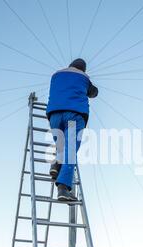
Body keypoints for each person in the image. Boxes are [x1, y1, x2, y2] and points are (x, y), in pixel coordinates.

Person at [46, 58, 98, 201]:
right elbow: (93, 93)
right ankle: (63, 188)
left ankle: (56, 165)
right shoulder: (83, 77)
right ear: (83, 69)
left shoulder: (56, 75)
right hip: (74, 115)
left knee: (61, 145)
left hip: (54, 115)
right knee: (70, 151)